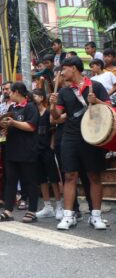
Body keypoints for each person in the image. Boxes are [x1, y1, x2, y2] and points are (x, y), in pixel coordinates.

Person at [50, 56, 109, 230]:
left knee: (94, 176)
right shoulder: (63, 92)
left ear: (74, 68)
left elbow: (110, 109)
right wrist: (52, 106)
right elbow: (56, 118)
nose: (62, 73)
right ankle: (69, 216)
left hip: (92, 136)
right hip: (70, 137)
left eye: (64, 69)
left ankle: (95, 215)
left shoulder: (95, 86)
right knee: (69, 175)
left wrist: (95, 101)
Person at [0, 82, 39, 223]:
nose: (9, 94)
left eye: (11, 92)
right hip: (12, 150)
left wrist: (13, 123)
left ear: (18, 92)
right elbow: (7, 125)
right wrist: (4, 128)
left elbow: (31, 126)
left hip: (27, 150)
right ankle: (8, 211)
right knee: (11, 181)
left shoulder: (30, 107)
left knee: (30, 181)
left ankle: (32, 210)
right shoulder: (12, 108)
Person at [32, 88, 62, 219]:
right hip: (36, 150)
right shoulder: (32, 114)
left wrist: (52, 145)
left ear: (42, 97)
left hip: (47, 149)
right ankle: (47, 206)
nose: (33, 99)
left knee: (54, 178)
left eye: (36, 96)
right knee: (41, 179)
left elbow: (53, 130)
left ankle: (59, 206)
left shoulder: (48, 112)